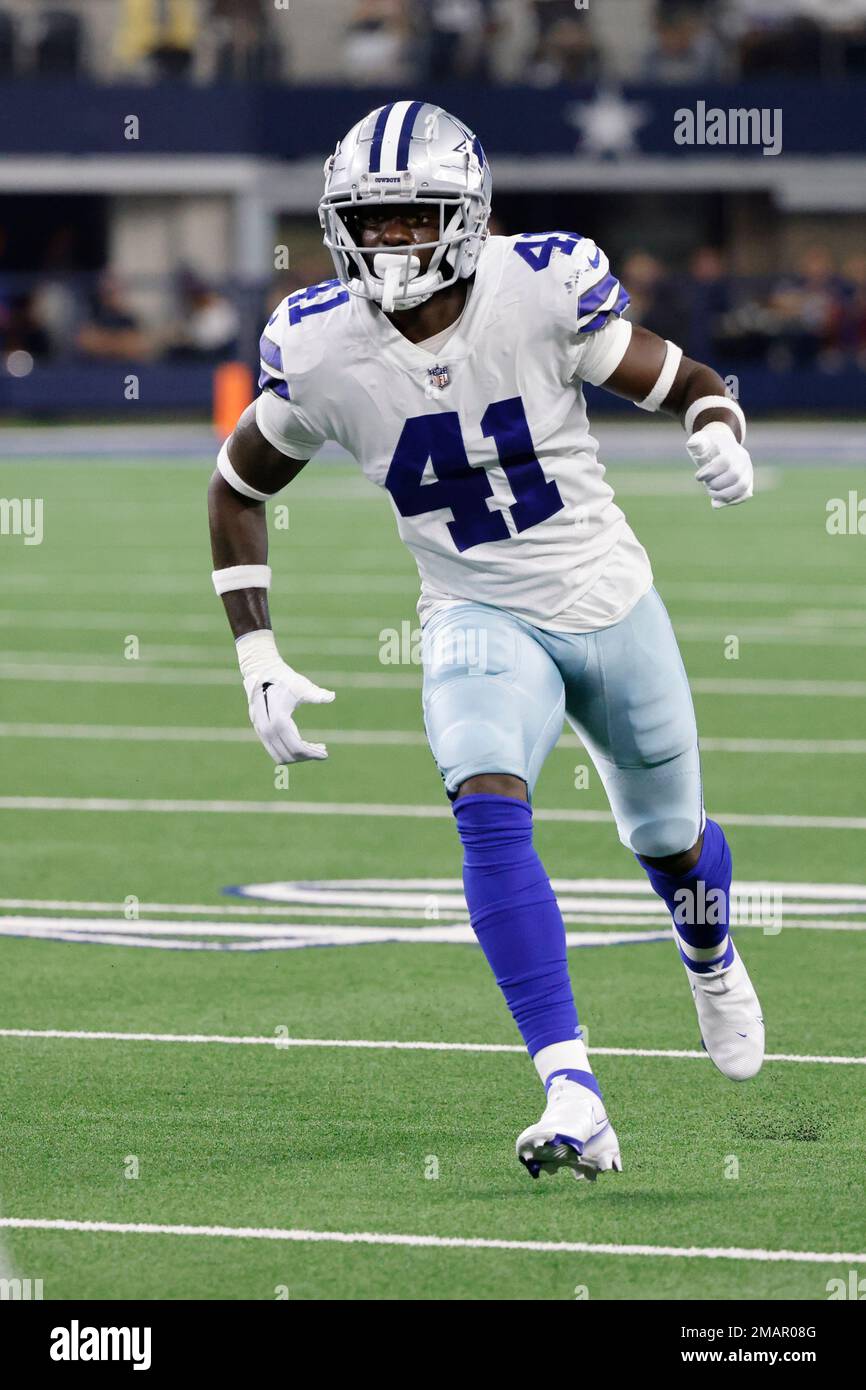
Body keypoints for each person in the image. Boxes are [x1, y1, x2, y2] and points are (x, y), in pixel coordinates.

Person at [208, 103, 763, 1184]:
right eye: (373, 222)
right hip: (470, 612)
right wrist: (255, 651)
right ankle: (570, 1085)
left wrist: (714, 428)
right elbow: (236, 487)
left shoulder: (543, 289)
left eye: (416, 218)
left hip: (604, 596)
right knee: (485, 803)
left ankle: (708, 952)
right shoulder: (316, 344)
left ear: (464, 217)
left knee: (668, 839)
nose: (393, 242)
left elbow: (688, 382)